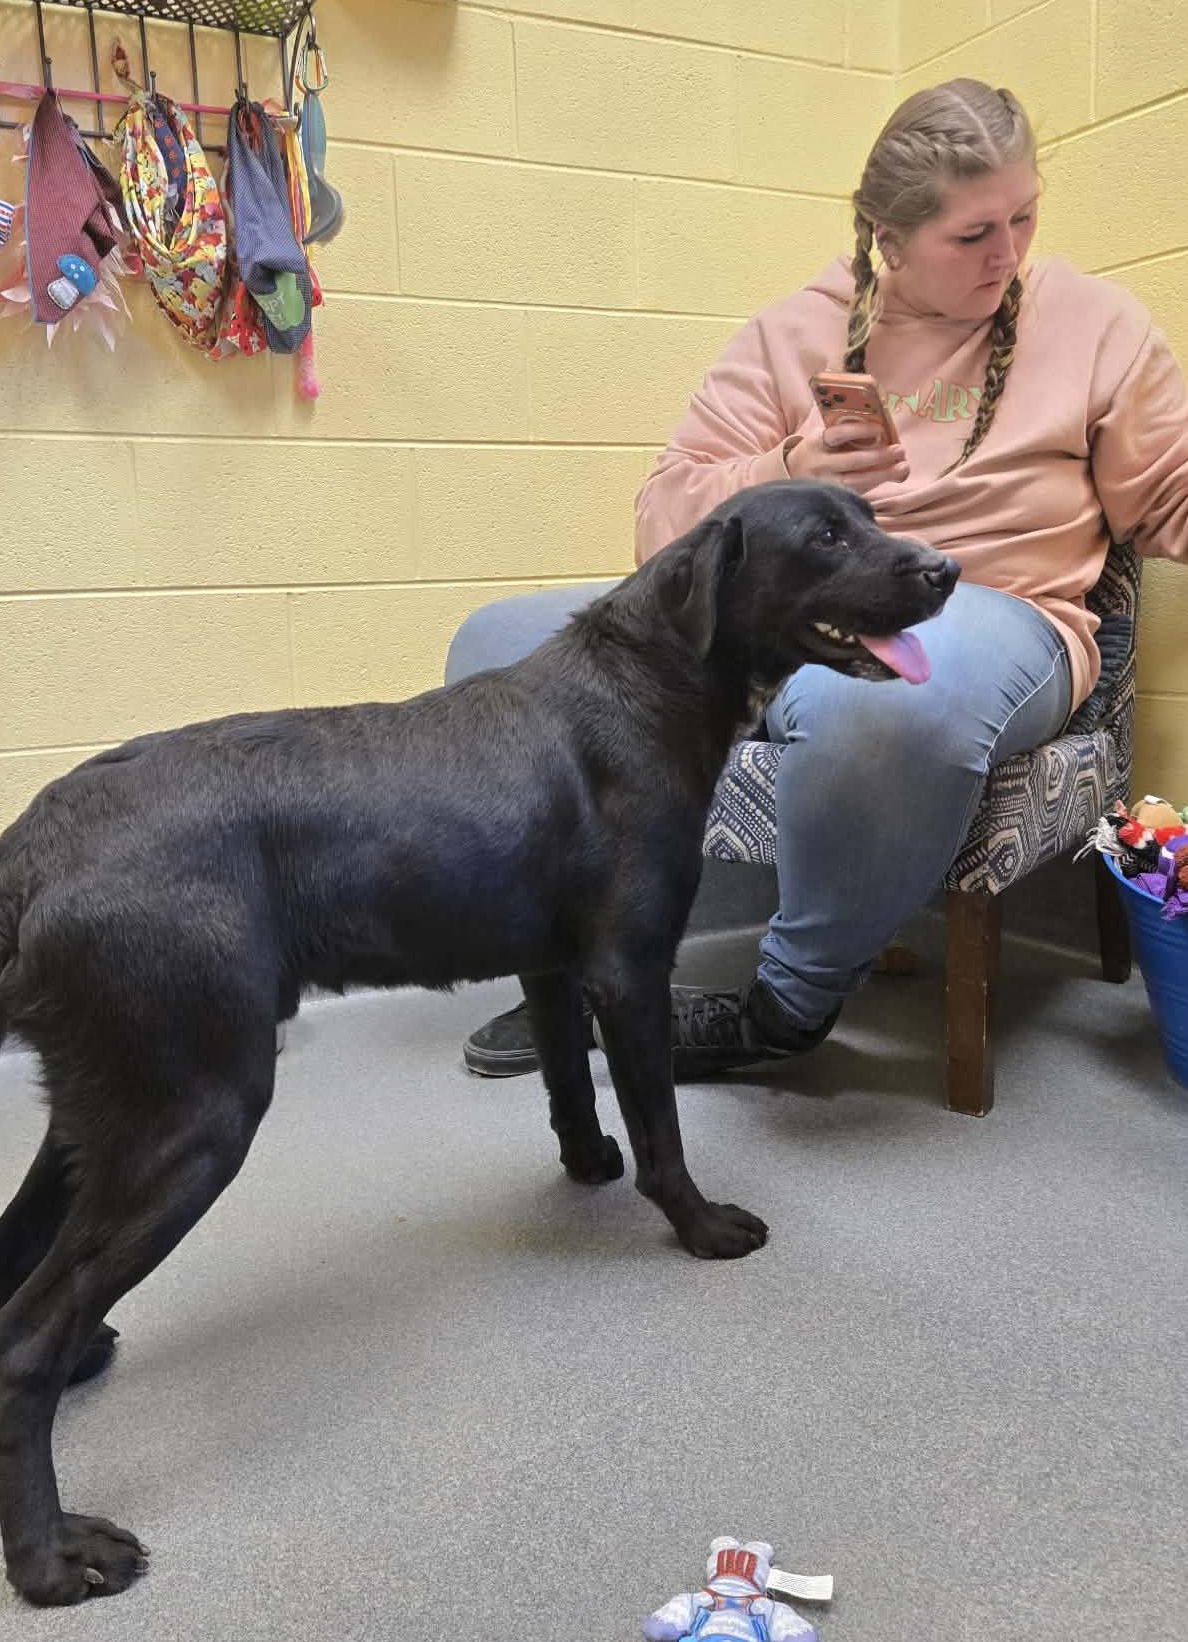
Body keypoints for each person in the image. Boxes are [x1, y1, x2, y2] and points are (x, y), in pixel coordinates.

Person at [446, 77, 1188, 1080]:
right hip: (776, 623)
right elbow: (663, 517)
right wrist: (785, 475)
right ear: (887, 238)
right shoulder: (795, 331)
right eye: (972, 235)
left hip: (985, 610)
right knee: (493, 648)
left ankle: (781, 1009)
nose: (1007, 254)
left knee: (886, 702)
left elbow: (1168, 497)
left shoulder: (1095, 326)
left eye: (1022, 217)